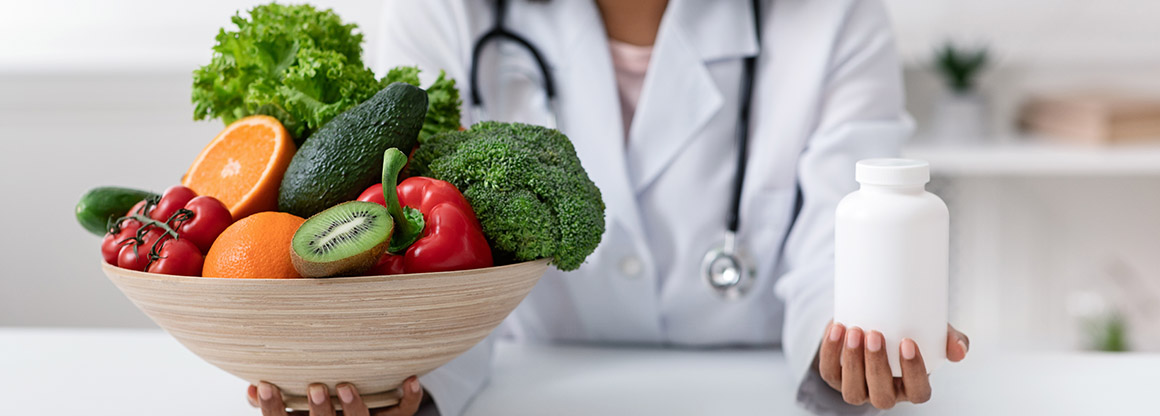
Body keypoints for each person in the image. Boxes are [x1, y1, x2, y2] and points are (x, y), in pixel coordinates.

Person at [249, 0, 970, 414]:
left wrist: (845, 351)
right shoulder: (445, 8)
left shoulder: (835, 16)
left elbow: (847, 228)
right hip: (528, 391)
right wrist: (407, 387)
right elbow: (410, 239)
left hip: (750, 390)